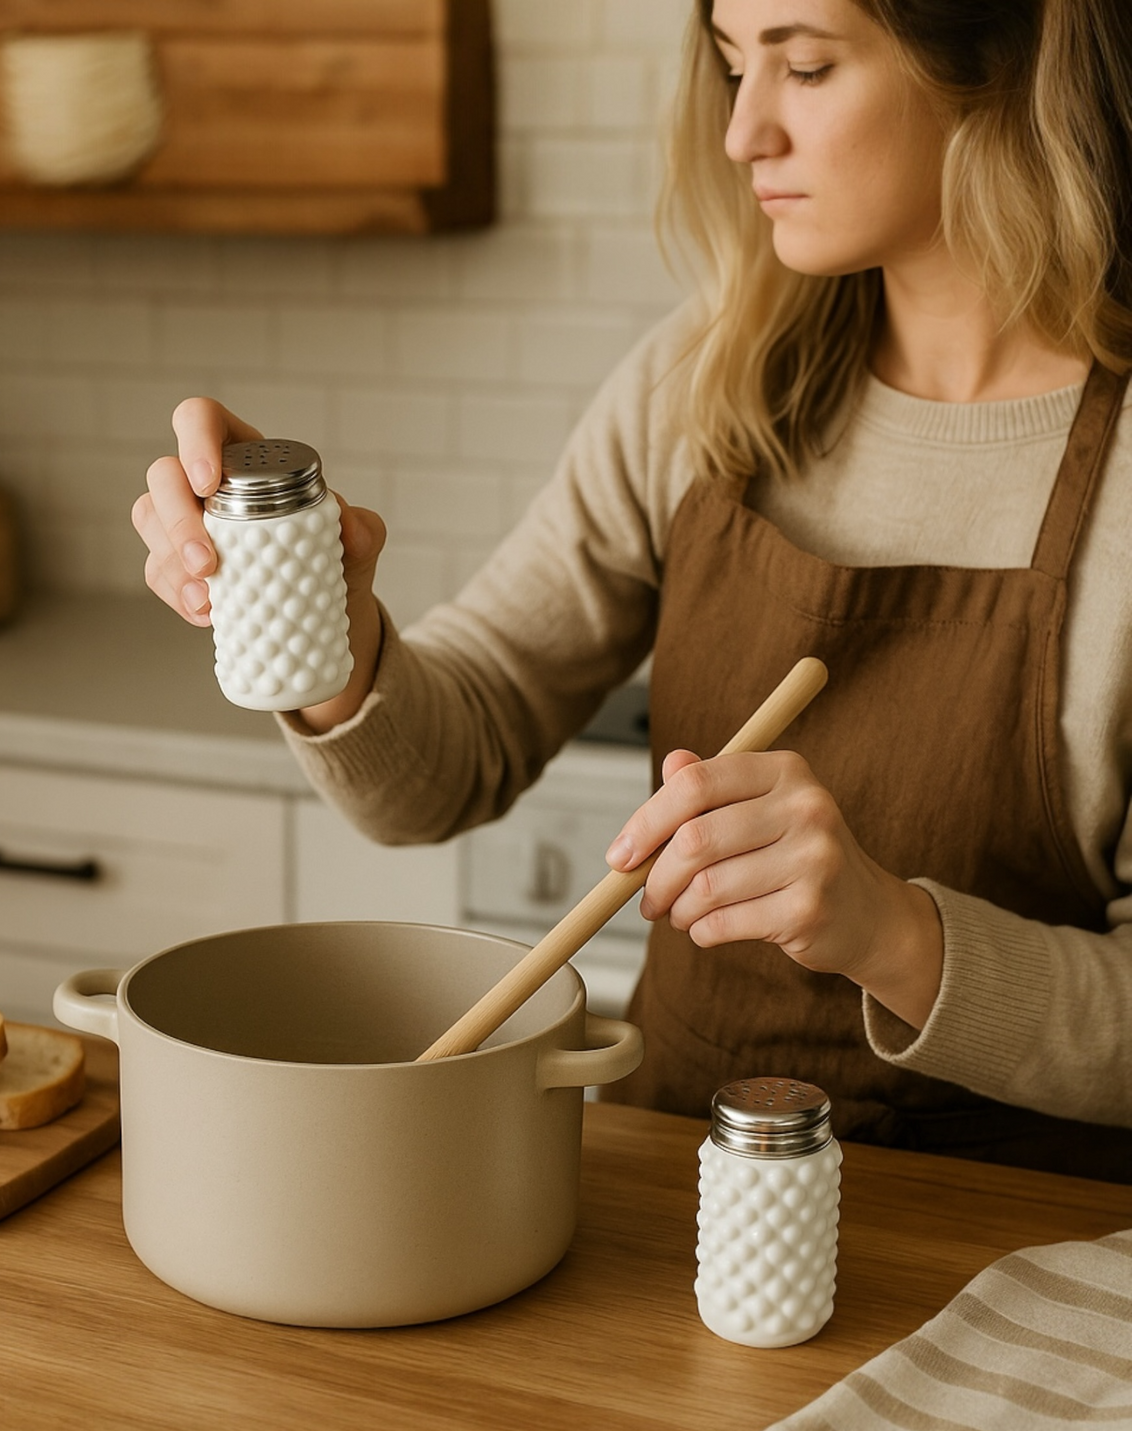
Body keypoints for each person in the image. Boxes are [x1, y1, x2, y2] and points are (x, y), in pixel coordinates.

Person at [134, 0, 1132, 1179]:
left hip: (1004, 1255)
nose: (740, 132)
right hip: (673, 1205)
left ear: (1000, 66)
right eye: (727, 66)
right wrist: (335, 636)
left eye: (804, 67)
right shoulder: (705, 384)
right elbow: (439, 768)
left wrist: (888, 930)